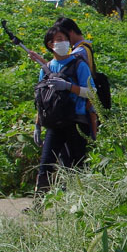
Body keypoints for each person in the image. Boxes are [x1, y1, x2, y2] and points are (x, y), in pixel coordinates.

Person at [35, 24, 95, 194]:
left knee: (77, 165)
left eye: (66, 40)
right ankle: (38, 206)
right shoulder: (46, 69)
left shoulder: (79, 66)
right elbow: (42, 100)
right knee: (45, 164)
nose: (64, 43)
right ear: (50, 44)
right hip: (54, 124)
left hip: (76, 122)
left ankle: (80, 202)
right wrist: (38, 125)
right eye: (59, 40)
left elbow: (92, 92)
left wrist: (68, 87)